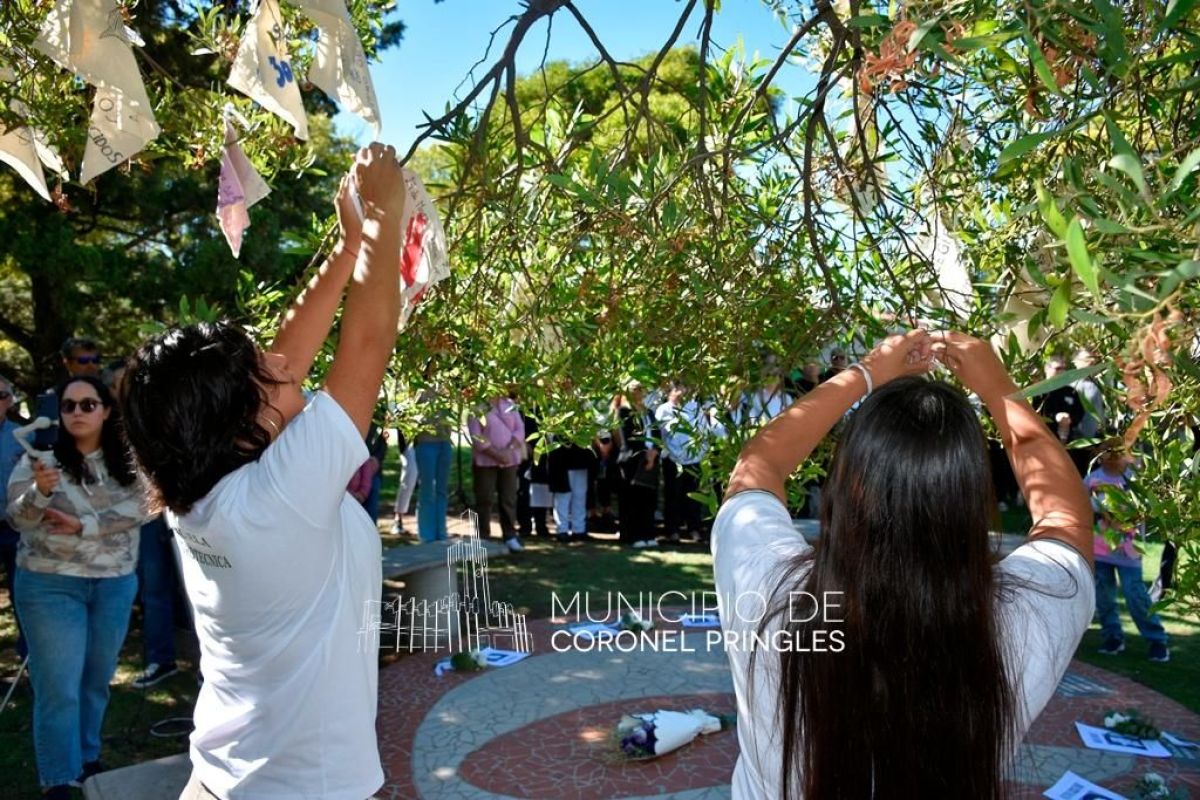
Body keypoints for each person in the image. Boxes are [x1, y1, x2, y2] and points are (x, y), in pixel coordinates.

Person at [120, 144, 406, 800]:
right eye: (261, 371)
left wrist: (350, 245)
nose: (282, 363)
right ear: (243, 423)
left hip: (224, 783)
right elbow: (366, 342)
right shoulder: (277, 500)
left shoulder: (199, 493)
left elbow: (285, 361)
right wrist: (387, 211)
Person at [712, 330, 1094, 798]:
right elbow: (1065, 517)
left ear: (845, 485)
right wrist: (999, 387)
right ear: (971, 500)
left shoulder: (770, 594)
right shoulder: (1026, 617)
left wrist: (865, 374)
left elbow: (758, 466)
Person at [7, 376, 146, 798]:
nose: (78, 413)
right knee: (59, 686)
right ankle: (60, 778)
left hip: (114, 584)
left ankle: (87, 758)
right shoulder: (40, 459)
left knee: (96, 680)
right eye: (69, 406)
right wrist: (40, 492)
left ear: (106, 410)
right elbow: (17, 519)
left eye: (88, 404)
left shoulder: (130, 460)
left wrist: (83, 525)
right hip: (50, 586)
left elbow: (145, 506)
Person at [1087, 446, 1169, 662]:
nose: (1112, 457)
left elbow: (1149, 508)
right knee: (1104, 597)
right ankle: (1112, 636)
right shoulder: (1092, 480)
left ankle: (1156, 639)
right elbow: (1080, 508)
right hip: (1099, 550)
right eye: (1106, 451)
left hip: (1130, 551)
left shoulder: (1134, 480)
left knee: (1136, 596)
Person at [467, 395, 525, 552]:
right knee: (484, 499)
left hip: (510, 461)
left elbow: (520, 429)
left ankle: (510, 536)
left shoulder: (510, 404)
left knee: (509, 498)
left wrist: (509, 450)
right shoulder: (477, 406)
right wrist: (496, 454)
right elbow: (476, 435)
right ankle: (483, 537)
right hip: (485, 462)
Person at [0, 375, 28, 658]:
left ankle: (32, 666)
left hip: (15, 529)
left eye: (1, 396)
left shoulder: (23, 436)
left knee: (24, 598)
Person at [613, 382, 660, 549]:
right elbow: (628, 438)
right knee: (633, 500)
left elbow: (657, 435)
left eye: (640, 390)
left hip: (651, 461)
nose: (638, 393)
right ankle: (634, 535)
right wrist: (645, 455)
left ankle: (648, 534)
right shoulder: (624, 412)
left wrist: (654, 453)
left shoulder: (649, 413)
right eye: (635, 390)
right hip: (632, 461)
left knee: (648, 500)